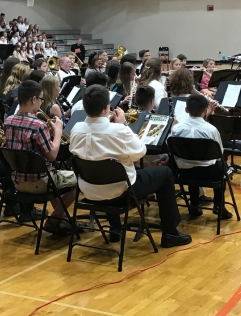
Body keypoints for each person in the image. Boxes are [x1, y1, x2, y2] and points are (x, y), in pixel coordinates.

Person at [69, 85, 191, 248]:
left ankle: (115, 229)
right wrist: (123, 125)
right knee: (166, 173)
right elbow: (140, 151)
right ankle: (170, 233)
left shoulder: (76, 129)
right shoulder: (119, 130)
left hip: (89, 191)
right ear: (107, 108)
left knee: (102, 170)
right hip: (122, 192)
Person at [4, 80, 76, 235]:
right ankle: (54, 220)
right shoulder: (38, 125)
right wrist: (57, 132)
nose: (42, 103)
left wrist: (47, 135)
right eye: (41, 99)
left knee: (52, 179)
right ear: (33, 99)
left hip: (17, 182)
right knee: (80, 181)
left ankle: (61, 219)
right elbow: (52, 156)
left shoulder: (8, 121)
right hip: (40, 182)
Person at [169, 93, 232, 220]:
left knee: (191, 162)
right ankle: (219, 206)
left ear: (186, 110)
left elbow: (171, 149)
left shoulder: (176, 129)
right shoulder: (211, 130)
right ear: (205, 111)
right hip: (209, 173)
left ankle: (194, 205)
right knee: (222, 166)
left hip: (183, 172)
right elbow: (219, 154)